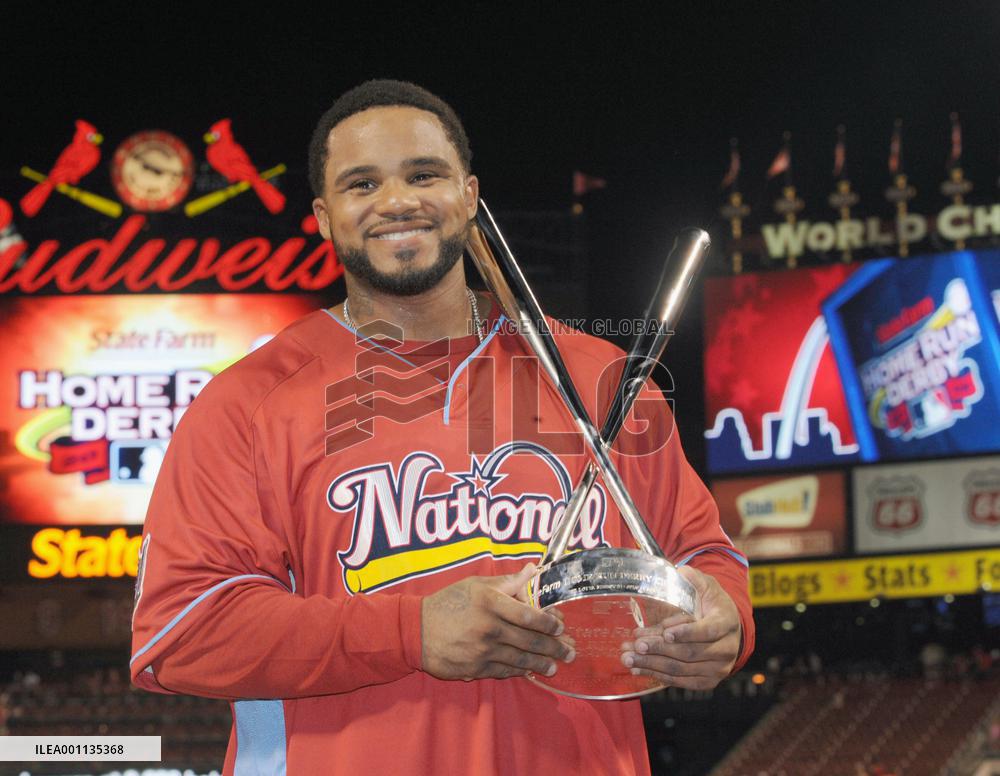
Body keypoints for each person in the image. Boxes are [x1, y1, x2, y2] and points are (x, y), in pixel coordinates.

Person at [130, 79, 754, 775]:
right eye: (361, 184)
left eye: (424, 175)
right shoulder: (246, 402)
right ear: (323, 217)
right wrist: (412, 632)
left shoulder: (600, 375)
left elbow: (705, 556)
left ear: (469, 196)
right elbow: (180, 634)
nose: (397, 201)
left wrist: (721, 619)